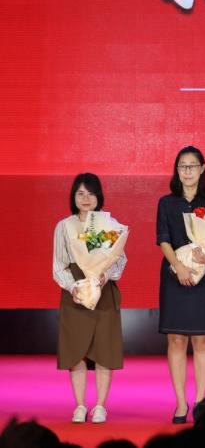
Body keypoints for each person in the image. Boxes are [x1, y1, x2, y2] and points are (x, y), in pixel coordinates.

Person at [54, 173, 126, 424]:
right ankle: (80, 405)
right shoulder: (64, 226)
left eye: (91, 193)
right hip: (75, 293)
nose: (85, 198)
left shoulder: (111, 224)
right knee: (76, 351)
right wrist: (74, 286)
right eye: (80, 194)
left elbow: (120, 260)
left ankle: (100, 406)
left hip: (104, 291)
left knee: (105, 350)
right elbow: (58, 265)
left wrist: (104, 276)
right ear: (73, 197)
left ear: (99, 196)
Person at [157, 146, 205, 423]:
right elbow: (163, 239)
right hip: (175, 275)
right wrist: (178, 266)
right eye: (183, 166)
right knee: (176, 339)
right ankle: (181, 403)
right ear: (177, 170)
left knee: (203, 340)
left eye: (193, 166)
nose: (188, 171)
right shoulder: (167, 203)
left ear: (202, 168)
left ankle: (201, 401)